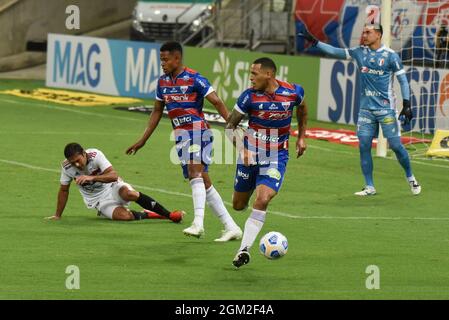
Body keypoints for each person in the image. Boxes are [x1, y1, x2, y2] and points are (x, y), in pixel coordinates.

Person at [126, 41, 242, 242]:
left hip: (198, 131)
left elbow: (217, 102)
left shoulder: (195, 78)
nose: (162, 63)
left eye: (166, 59)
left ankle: (198, 223)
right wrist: (142, 140)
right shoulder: (162, 82)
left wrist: (232, 129)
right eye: (161, 59)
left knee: (194, 172)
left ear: (177, 58)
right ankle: (231, 227)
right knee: (203, 181)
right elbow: (156, 111)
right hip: (180, 136)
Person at [298, 23, 421, 196]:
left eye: (368, 32)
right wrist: (315, 41)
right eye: (363, 32)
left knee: (395, 146)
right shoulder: (359, 52)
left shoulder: (391, 56)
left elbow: (403, 81)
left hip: (386, 110)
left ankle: (410, 177)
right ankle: (369, 186)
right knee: (364, 145)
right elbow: (335, 51)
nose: (364, 35)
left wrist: (407, 104)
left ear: (378, 35)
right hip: (366, 110)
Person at [225, 57, 308, 268]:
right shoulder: (249, 97)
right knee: (238, 205)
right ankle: (247, 206)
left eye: (254, 74)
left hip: (276, 156)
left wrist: (301, 136)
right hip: (250, 155)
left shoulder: (292, 92)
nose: (251, 78)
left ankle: (243, 250)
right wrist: (243, 150)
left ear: (268, 74)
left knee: (262, 199)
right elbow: (229, 126)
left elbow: (303, 108)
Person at [45, 143, 184, 222]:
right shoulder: (66, 167)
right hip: (98, 201)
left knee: (129, 193)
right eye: (72, 162)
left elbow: (113, 175)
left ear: (84, 153)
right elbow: (64, 190)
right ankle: (148, 213)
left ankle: (169, 215)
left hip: (112, 187)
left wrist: (91, 178)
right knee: (125, 217)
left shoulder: (95, 155)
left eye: (78, 160)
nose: (77, 164)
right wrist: (58, 215)